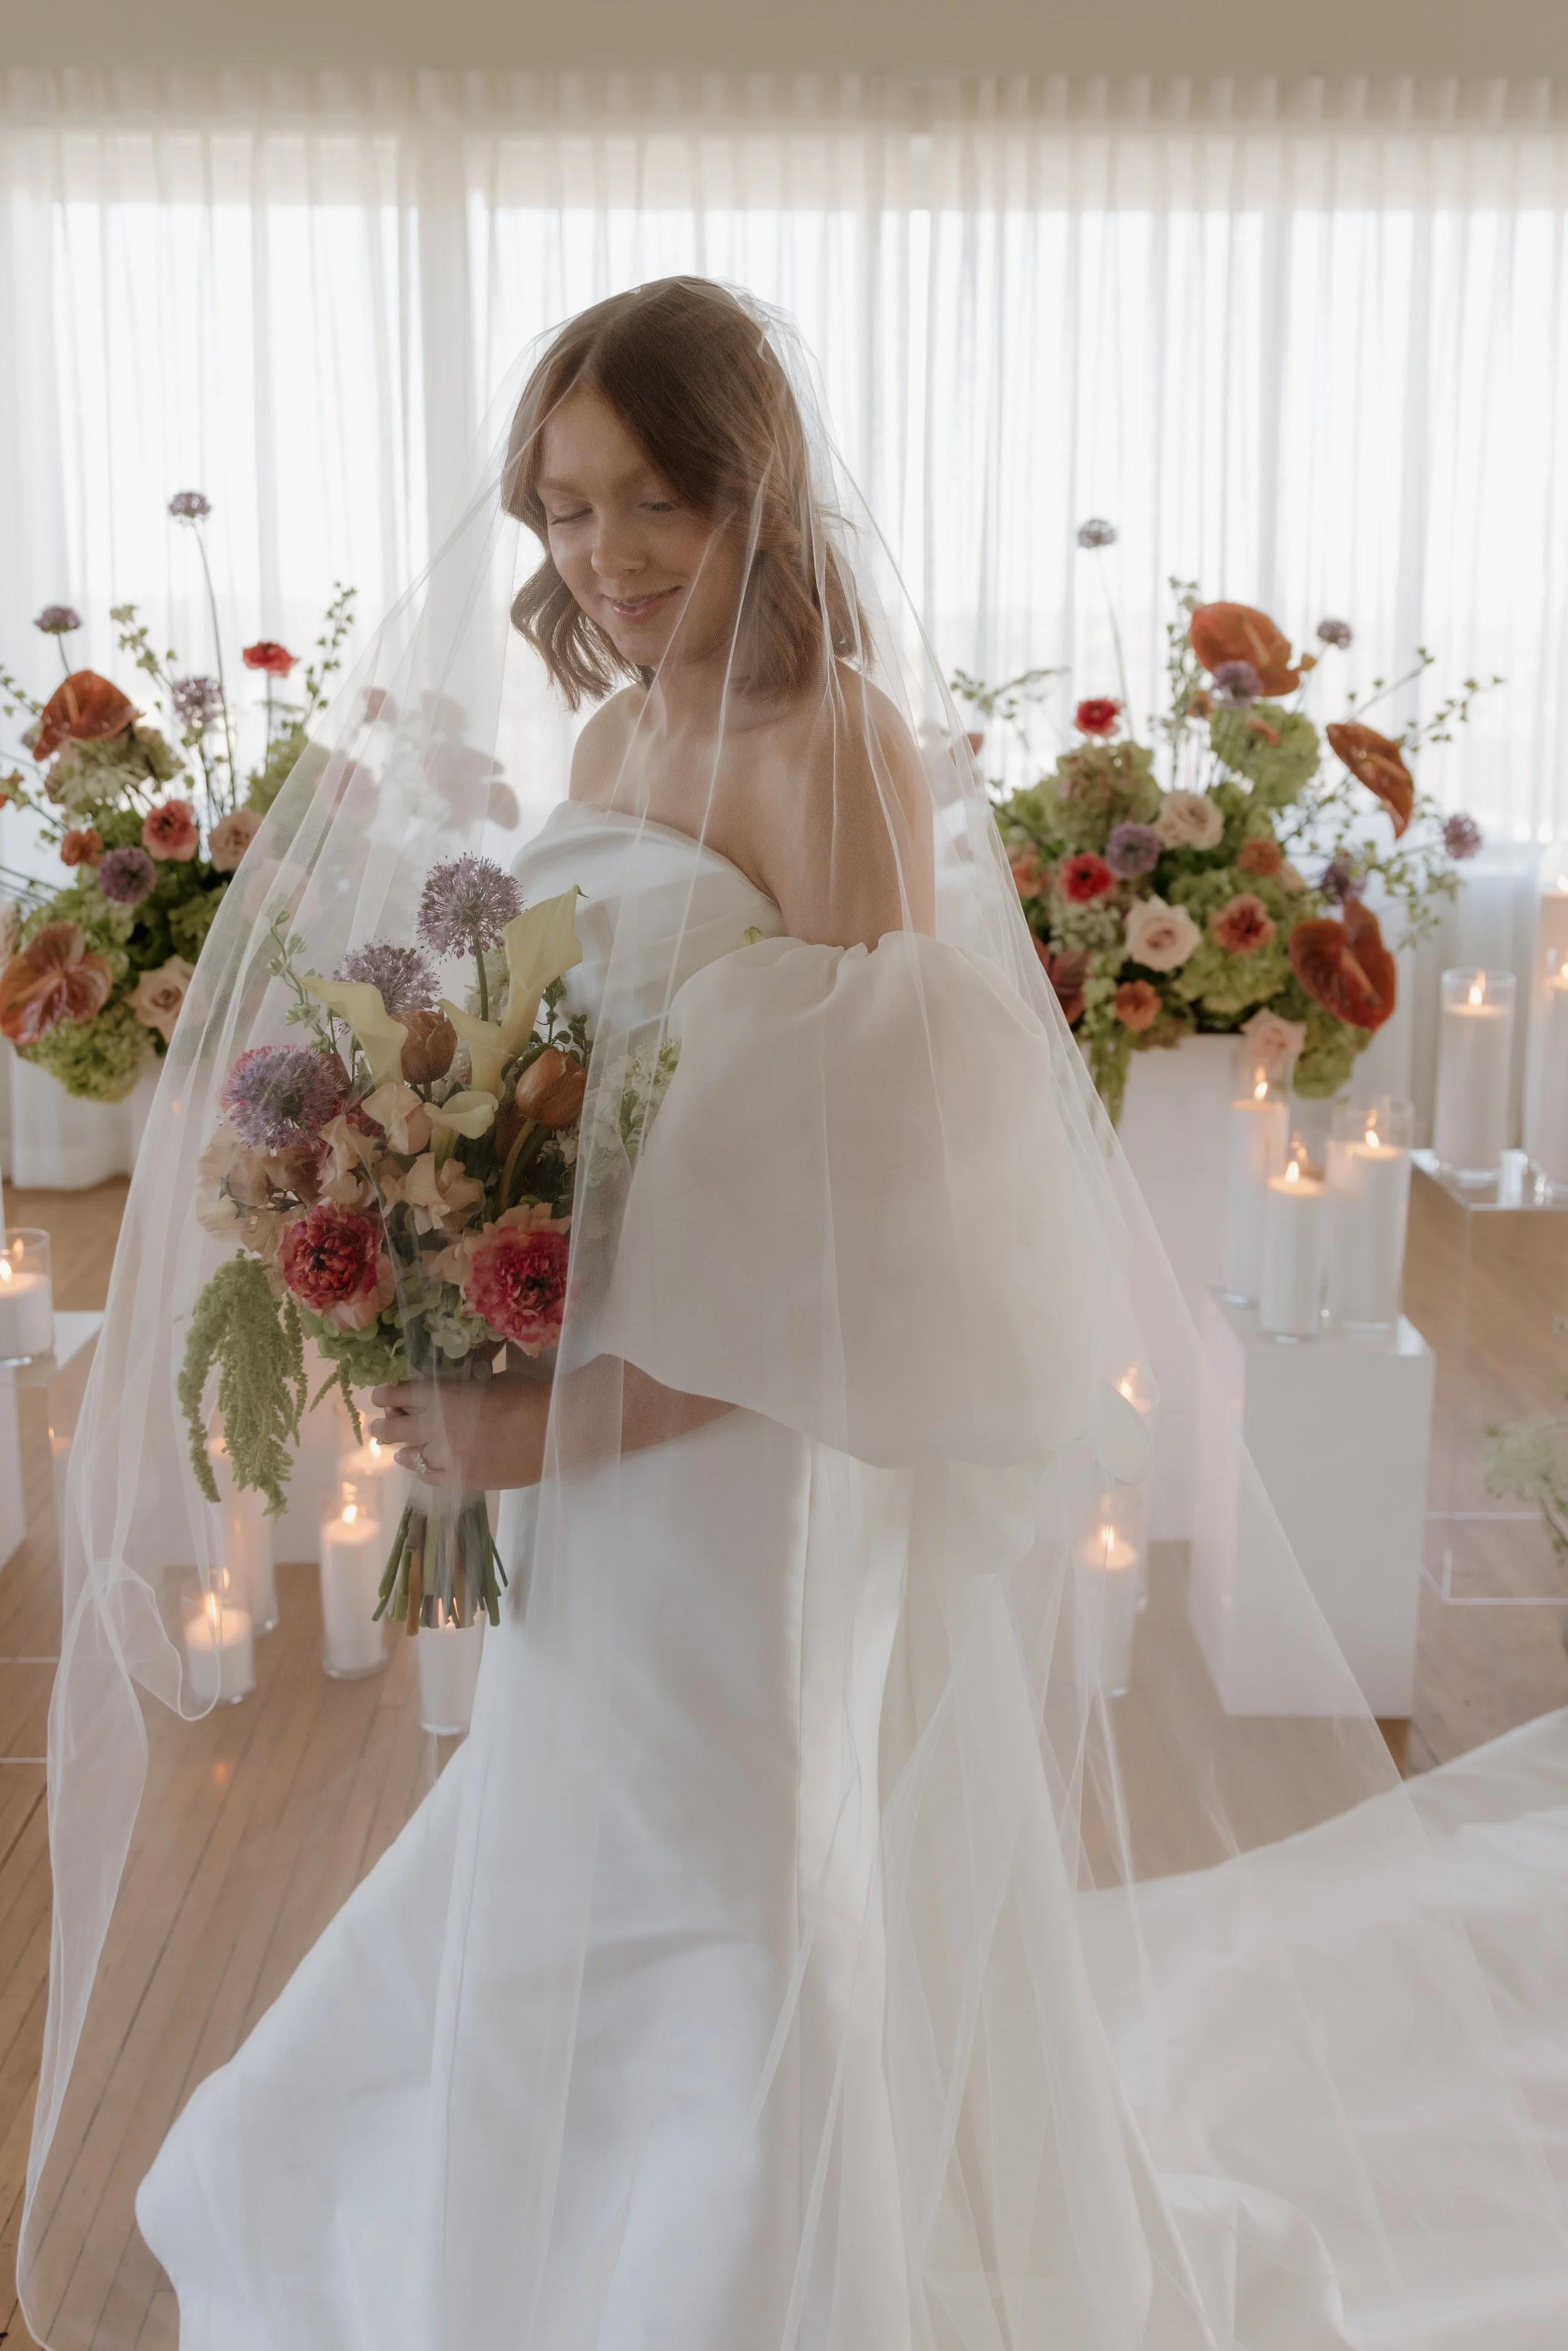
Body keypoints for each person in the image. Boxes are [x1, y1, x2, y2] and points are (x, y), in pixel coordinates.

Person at [23, 280, 1568, 2351]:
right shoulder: (604, 728)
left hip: (730, 1428)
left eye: (654, 498)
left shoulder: (823, 742)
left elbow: (879, 1211)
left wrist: (574, 1403)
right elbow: (592, 1098)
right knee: (585, 1815)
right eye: (564, 510)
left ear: (756, 488)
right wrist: (453, 1312)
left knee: (720, 1862)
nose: (606, 556)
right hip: (584, 1401)